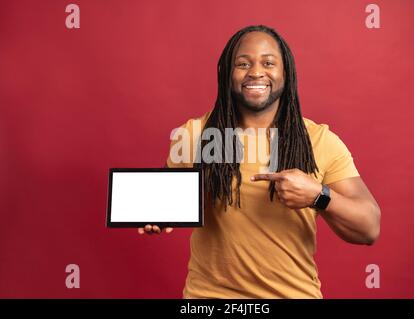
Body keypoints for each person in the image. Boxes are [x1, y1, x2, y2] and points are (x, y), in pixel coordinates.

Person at [138, 25, 381, 298]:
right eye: (243, 63)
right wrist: (156, 214)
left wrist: (318, 196)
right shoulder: (195, 135)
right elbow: (166, 199)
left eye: (268, 62)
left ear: (285, 73)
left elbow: (369, 228)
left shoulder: (318, 140)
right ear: (227, 75)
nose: (255, 72)